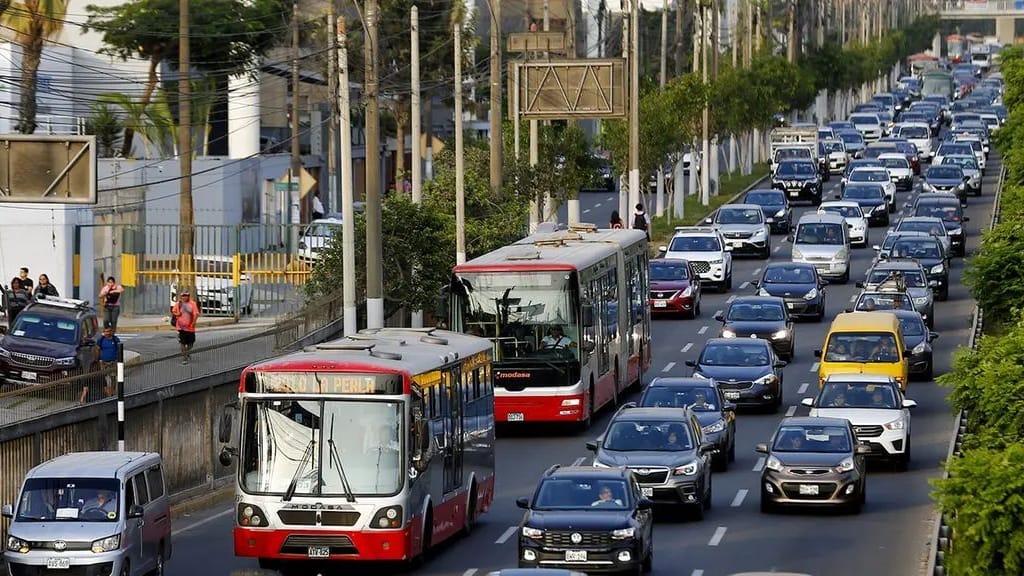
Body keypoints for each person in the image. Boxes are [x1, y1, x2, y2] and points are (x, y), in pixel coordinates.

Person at [94, 323, 122, 399]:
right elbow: (97, 349)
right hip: (104, 362)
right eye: (106, 331)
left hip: (113, 362)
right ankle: (106, 391)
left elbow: (119, 349)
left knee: (113, 377)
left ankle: (113, 391)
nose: (107, 333)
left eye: (109, 331)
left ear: (112, 332)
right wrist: (96, 360)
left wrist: (119, 360)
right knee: (103, 378)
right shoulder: (101, 340)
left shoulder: (115, 339)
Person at [171, 291, 200, 365]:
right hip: (180, 327)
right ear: (181, 297)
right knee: (182, 343)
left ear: (188, 296)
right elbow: (173, 311)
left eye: (186, 296)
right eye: (183, 296)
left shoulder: (192, 304)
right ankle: (184, 358)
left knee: (191, 343)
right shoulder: (178, 304)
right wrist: (177, 313)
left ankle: (186, 352)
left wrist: (194, 322)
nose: (185, 297)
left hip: (190, 327)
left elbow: (196, 314)